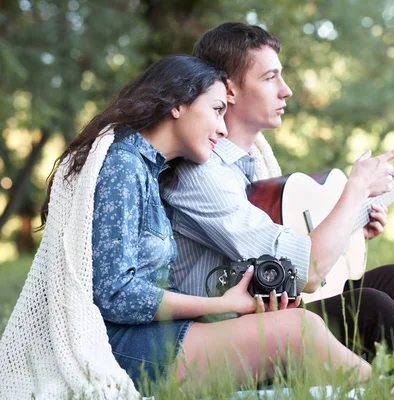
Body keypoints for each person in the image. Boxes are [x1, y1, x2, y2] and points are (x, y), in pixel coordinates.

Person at [0, 55, 370, 399]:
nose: (223, 128)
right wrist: (219, 304)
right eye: (216, 110)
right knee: (300, 332)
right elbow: (117, 294)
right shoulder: (123, 165)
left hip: (153, 334)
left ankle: (388, 385)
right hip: (123, 345)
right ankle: (391, 387)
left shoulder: (150, 168)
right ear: (176, 104)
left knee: (298, 327)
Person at [161, 23, 394, 396]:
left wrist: (351, 227)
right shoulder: (203, 174)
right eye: (270, 77)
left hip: (269, 310)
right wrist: (355, 188)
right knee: (372, 306)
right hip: (228, 332)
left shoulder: (254, 168)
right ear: (229, 90)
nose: (287, 90)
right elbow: (306, 271)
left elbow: (294, 259)